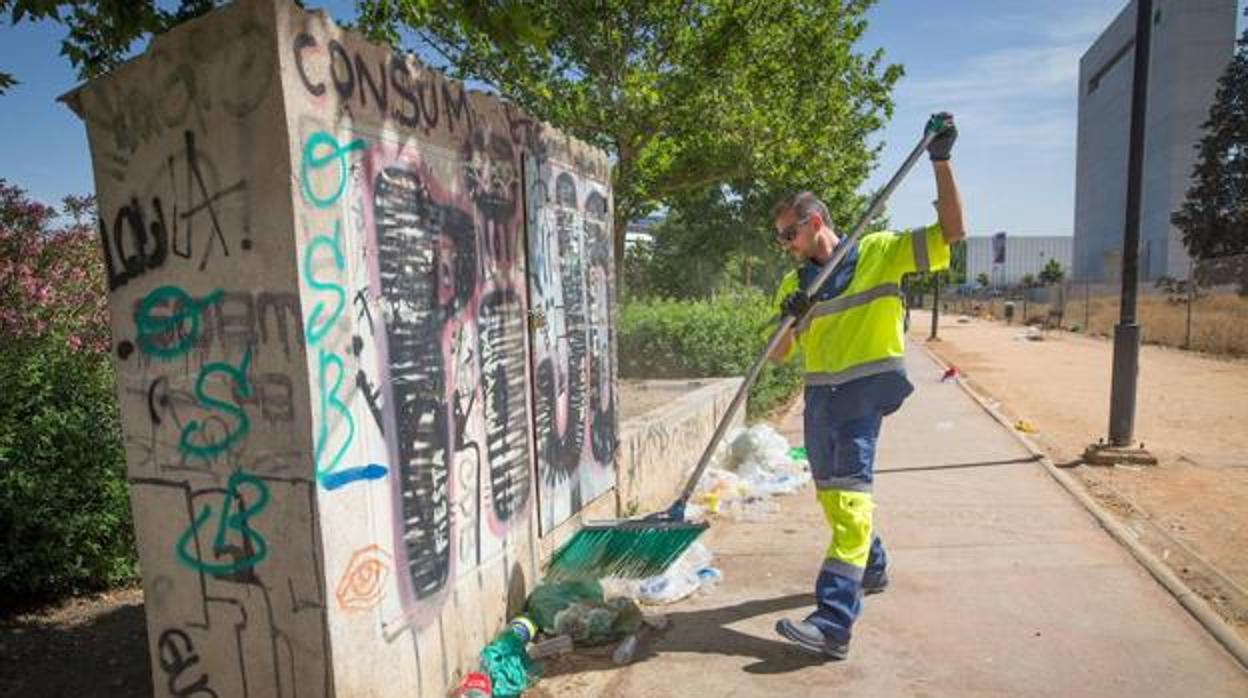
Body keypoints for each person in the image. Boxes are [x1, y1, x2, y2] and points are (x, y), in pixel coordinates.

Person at [769, 113, 965, 660]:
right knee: (834, 502)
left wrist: (941, 162)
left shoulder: (880, 251)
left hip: (862, 401)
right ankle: (872, 566)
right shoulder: (794, 283)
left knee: (851, 505)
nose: (784, 245)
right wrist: (792, 315)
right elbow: (779, 354)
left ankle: (832, 623)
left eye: (789, 233)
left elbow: (951, 233)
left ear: (814, 222)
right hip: (820, 405)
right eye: (781, 237)